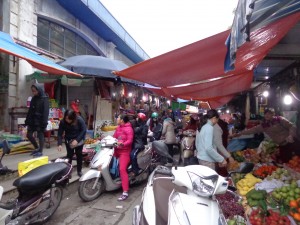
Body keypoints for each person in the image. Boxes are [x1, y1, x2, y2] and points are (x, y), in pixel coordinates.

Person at [234, 108, 299, 163]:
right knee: (287, 162)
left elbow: (292, 126)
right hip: (282, 146)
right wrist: (240, 133)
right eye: (266, 114)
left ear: (273, 114)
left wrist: (291, 135)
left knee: (297, 159)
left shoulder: (280, 119)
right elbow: (252, 130)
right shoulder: (264, 125)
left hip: (291, 143)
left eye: (269, 113)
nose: (267, 115)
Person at [57, 109, 86, 177]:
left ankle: (79, 170)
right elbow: (59, 133)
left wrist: (77, 140)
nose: (68, 120)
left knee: (79, 155)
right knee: (69, 156)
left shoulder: (79, 120)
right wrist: (59, 144)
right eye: (66, 118)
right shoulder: (63, 122)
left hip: (78, 140)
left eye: (69, 119)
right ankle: (68, 171)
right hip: (69, 140)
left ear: (73, 118)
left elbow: (84, 130)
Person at [113, 114, 134, 201]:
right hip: (116, 150)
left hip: (124, 152)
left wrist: (123, 144)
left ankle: (125, 191)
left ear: (122, 120)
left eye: (118, 118)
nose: (116, 119)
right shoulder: (118, 128)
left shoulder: (129, 129)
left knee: (122, 169)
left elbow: (130, 140)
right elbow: (114, 137)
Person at [25, 84, 49, 157]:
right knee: (29, 135)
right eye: (32, 91)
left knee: (40, 134)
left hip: (40, 120)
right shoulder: (34, 98)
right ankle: (36, 147)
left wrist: (44, 122)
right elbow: (30, 110)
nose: (34, 93)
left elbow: (46, 112)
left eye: (35, 91)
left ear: (39, 90)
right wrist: (27, 120)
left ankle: (40, 150)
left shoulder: (44, 99)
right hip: (32, 119)